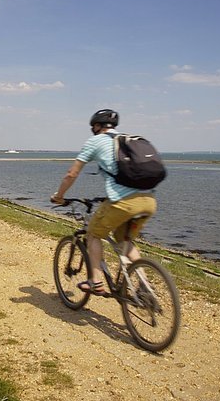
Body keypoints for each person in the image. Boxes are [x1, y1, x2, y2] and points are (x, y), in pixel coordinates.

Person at [50, 109, 157, 296]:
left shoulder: (96, 141)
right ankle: (144, 284)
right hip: (148, 200)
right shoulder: (126, 139)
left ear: (96, 126)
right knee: (125, 239)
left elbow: (71, 173)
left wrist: (59, 195)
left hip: (124, 202)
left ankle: (95, 281)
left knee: (92, 234)